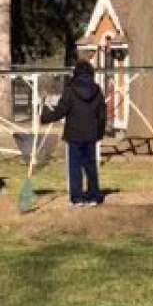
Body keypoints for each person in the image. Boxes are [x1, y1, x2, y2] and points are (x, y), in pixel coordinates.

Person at [41, 60, 106, 207]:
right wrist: (100, 132)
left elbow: (61, 111)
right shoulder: (97, 90)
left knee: (75, 166)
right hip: (91, 134)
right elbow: (102, 114)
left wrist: (44, 116)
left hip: (74, 134)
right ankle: (94, 196)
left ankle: (77, 198)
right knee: (91, 166)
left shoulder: (70, 89)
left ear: (75, 73)